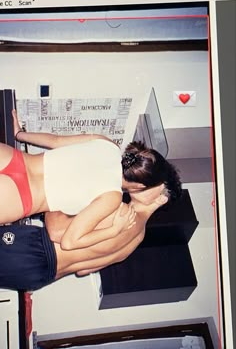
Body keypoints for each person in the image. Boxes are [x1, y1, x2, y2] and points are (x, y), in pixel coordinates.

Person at [0, 109, 181, 250]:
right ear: (140, 185)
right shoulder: (112, 197)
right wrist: (114, 230)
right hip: (20, 197)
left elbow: (55, 140)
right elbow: (70, 242)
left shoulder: (108, 144)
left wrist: (19, 134)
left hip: (15, 159)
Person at [0, 185, 169, 292]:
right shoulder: (138, 238)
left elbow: (56, 231)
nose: (146, 180)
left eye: (155, 182)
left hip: (34, 250)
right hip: (41, 276)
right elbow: (82, 271)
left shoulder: (121, 211)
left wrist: (55, 192)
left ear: (162, 199)